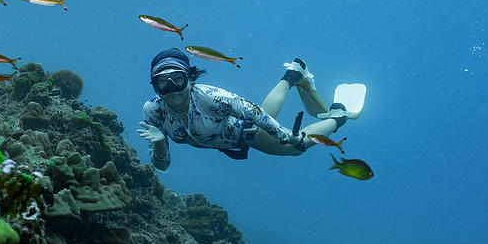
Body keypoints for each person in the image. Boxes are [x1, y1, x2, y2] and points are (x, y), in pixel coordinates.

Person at [137, 48, 355, 170]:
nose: (172, 88)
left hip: (245, 133)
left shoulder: (212, 98)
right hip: (231, 138)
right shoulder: (153, 112)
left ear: (190, 79)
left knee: (296, 149)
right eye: (163, 82)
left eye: (178, 79)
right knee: (266, 113)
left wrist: (285, 136)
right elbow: (162, 166)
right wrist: (159, 145)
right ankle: (293, 74)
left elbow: (254, 113)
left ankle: (339, 116)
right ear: (154, 86)